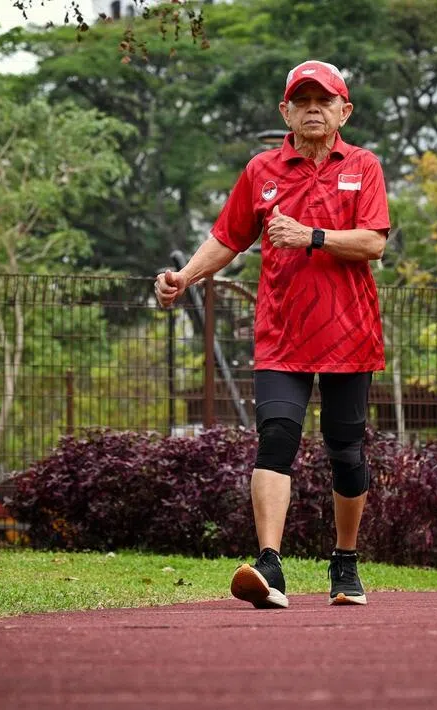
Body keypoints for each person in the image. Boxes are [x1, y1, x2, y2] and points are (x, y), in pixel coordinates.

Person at [155, 61, 389, 607]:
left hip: (349, 336)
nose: (312, 108)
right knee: (276, 438)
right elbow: (228, 237)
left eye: (323, 99)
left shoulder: (364, 166)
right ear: (284, 110)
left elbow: (374, 243)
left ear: (343, 111)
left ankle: (345, 562)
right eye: (301, 99)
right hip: (281, 336)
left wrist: (310, 236)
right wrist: (184, 277)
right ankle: (270, 566)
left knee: (346, 452)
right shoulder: (261, 170)